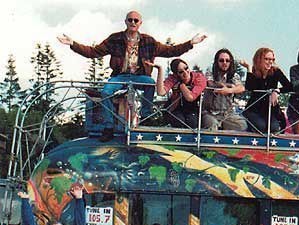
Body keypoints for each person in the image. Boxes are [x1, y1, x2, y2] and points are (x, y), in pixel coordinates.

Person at [57, 10, 206, 141]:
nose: (133, 22)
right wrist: (73, 44)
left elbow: (170, 51)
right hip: (120, 76)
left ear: (140, 23)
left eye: (136, 20)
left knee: (150, 83)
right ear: (126, 22)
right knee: (106, 92)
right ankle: (108, 126)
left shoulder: (149, 41)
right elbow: (93, 52)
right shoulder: (115, 39)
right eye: (130, 20)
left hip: (139, 76)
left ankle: (146, 117)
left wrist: (190, 43)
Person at [242, 47, 291, 133]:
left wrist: (276, 91)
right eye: (267, 59)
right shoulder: (253, 71)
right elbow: (249, 87)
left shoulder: (276, 71)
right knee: (261, 126)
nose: (270, 62)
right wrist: (248, 68)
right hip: (254, 109)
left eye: (272, 59)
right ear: (259, 59)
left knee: (274, 128)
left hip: (270, 110)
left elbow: (289, 86)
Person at [149, 58, 207, 128]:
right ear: (176, 74)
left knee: (192, 123)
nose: (185, 73)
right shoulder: (173, 78)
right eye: (181, 72)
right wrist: (160, 70)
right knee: (179, 121)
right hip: (176, 107)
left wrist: (181, 86)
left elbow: (190, 97)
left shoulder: (198, 77)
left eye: (186, 68)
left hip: (193, 107)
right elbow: (161, 92)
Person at [202, 48, 248, 131]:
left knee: (242, 125)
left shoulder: (233, 75)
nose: (224, 63)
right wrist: (230, 86)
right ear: (216, 62)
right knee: (212, 126)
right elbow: (211, 84)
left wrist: (229, 90)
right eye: (221, 60)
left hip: (227, 114)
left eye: (227, 60)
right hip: (210, 113)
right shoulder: (210, 71)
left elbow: (241, 88)